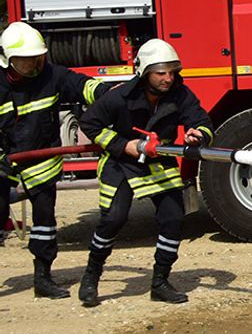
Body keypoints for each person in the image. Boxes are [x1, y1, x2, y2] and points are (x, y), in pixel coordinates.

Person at [76, 39, 213, 306]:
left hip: (158, 162)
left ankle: (160, 282)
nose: (168, 78)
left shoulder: (180, 95)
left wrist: (199, 135)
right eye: (160, 72)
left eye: (172, 72)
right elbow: (89, 123)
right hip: (121, 163)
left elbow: (202, 120)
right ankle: (91, 277)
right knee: (113, 219)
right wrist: (122, 145)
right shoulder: (119, 97)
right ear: (145, 72)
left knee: (173, 218)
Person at [0, 22, 109, 298]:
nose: (35, 66)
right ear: (7, 61)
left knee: (45, 223)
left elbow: (82, 85)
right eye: (26, 62)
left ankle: (43, 279)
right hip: (4, 163)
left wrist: (109, 95)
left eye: (38, 58)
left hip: (41, 162)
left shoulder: (50, 75)